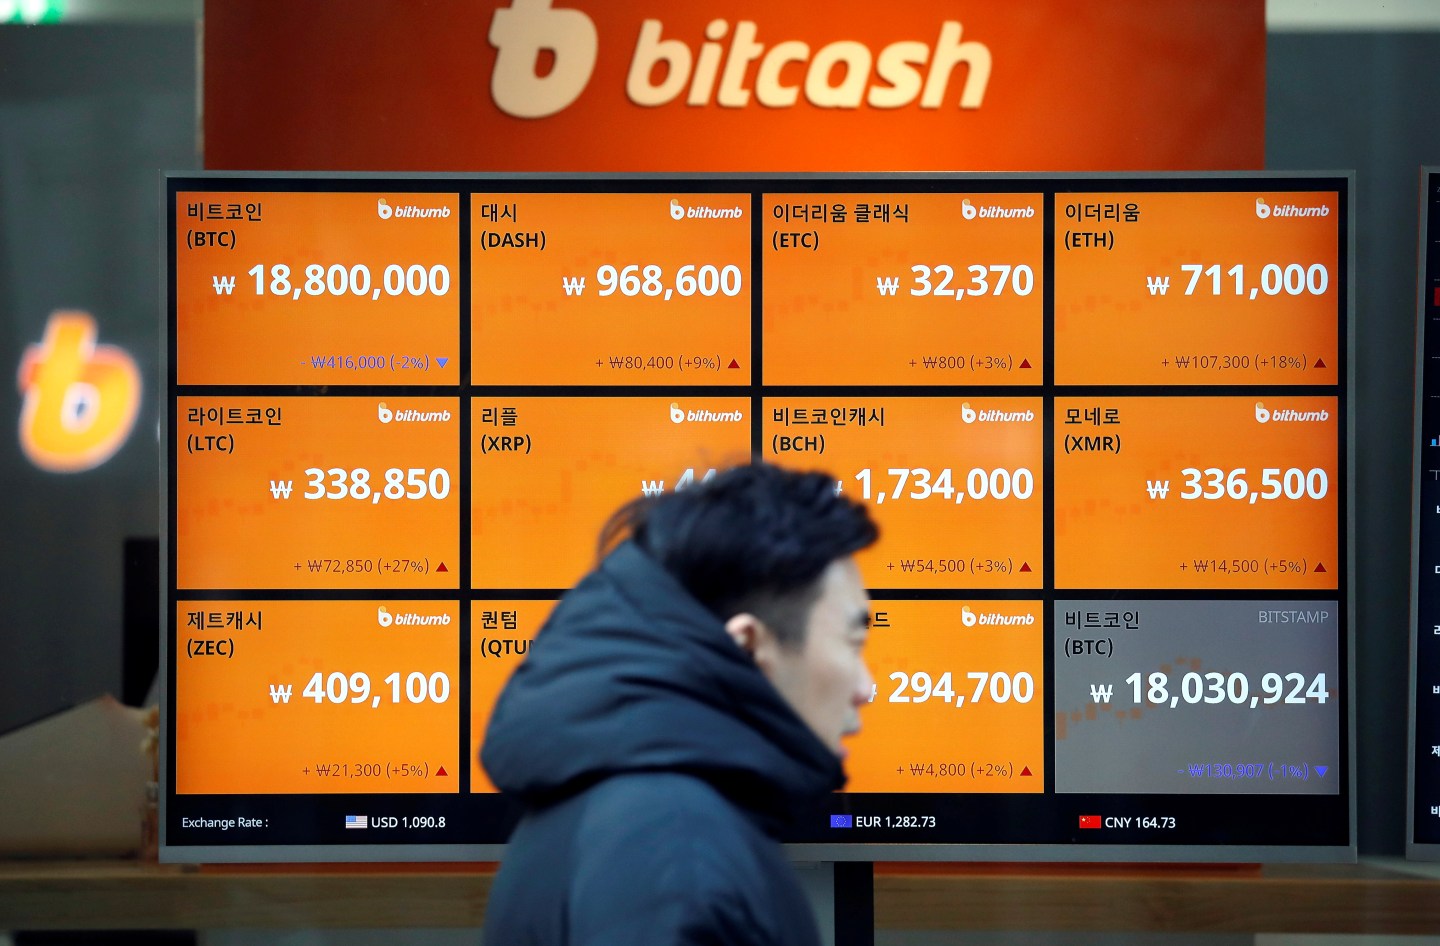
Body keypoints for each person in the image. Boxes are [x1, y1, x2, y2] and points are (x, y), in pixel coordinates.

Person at [480, 461, 879, 946]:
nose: (866, 686)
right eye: (852, 643)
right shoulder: (680, 856)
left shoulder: (625, 813)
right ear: (748, 647)